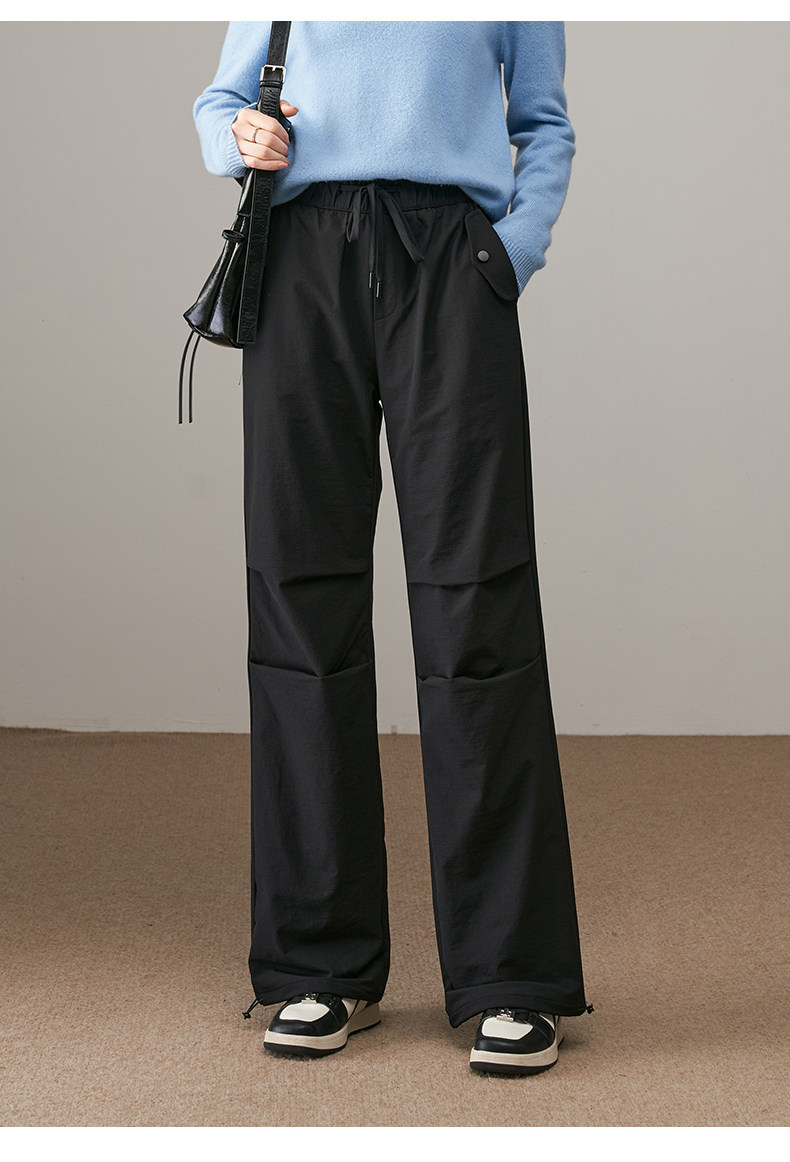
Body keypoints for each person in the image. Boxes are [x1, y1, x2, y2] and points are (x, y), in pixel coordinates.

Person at [192, 19, 593, 1077]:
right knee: (299, 602)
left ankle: (511, 976)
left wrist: (512, 248)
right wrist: (239, 140)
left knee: (478, 600)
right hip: (298, 257)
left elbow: (543, 123)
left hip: (451, 259)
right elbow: (220, 104)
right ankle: (317, 963)